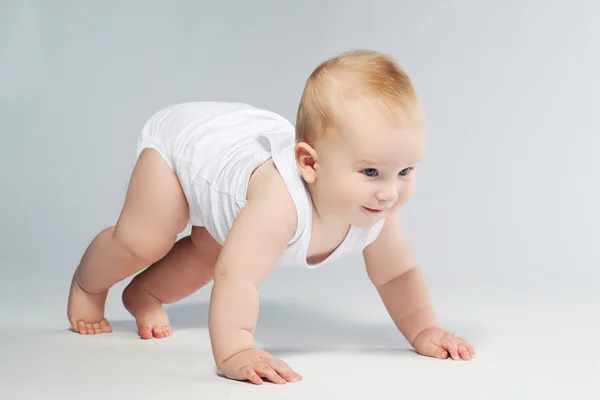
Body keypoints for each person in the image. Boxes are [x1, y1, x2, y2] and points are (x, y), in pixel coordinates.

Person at [66, 49, 476, 385]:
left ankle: (145, 294)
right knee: (145, 240)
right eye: (370, 172)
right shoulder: (280, 202)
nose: (390, 191)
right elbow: (238, 277)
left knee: (210, 248)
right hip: (190, 147)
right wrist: (237, 348)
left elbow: (396, 275)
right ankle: (88, 285)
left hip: (238, 149)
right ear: (309, 164)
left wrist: (423, 330)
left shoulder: (376, 208)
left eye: (406, 171)